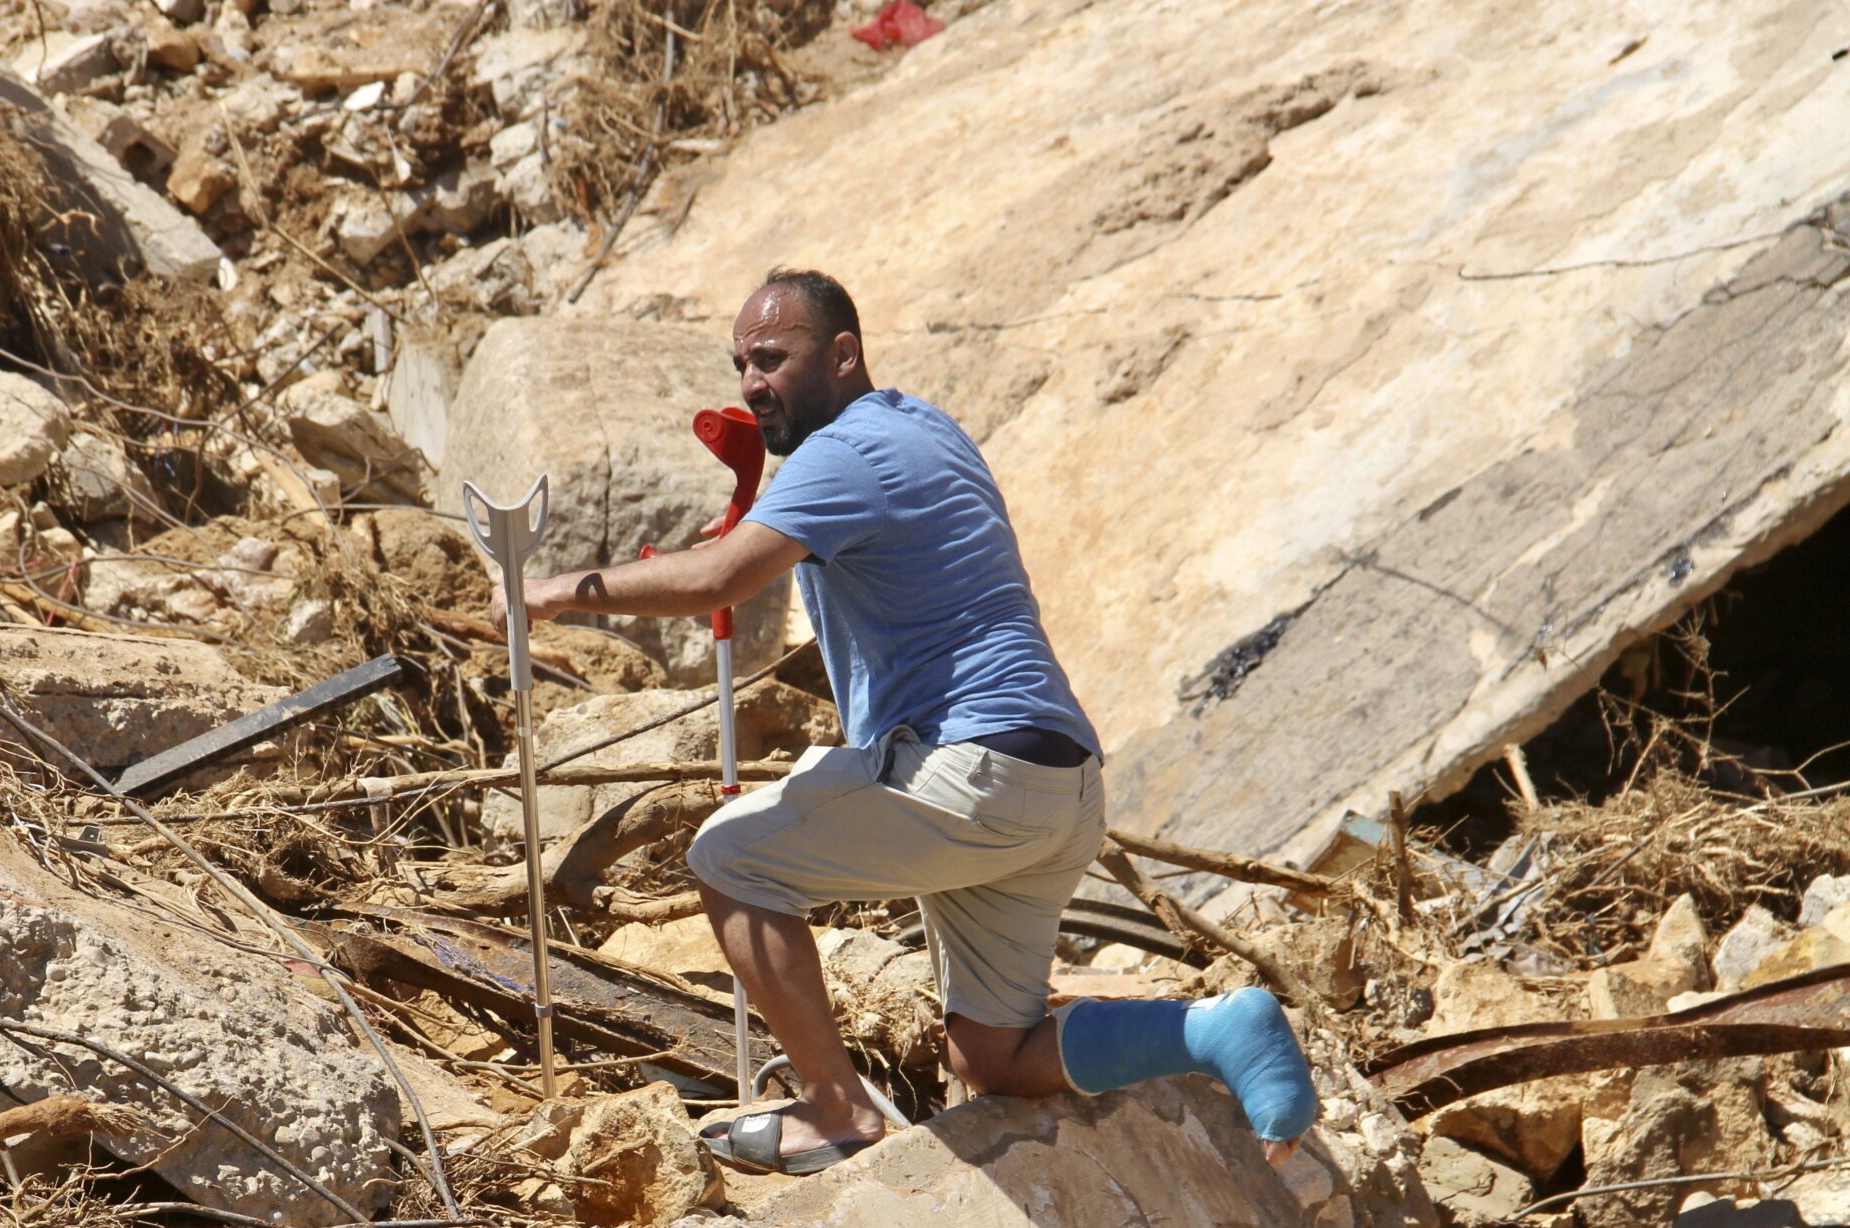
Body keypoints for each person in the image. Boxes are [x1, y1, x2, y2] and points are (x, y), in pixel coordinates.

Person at [494, 267, 1318, 1174]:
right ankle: (1219, 1032)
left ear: (841, 354)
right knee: (991, 1057)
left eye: (772, 358)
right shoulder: (925, 426)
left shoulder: (841, 455)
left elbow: (717, 582)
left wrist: (552, 592)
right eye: (739, 363)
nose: (749, 383)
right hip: (1059, 784)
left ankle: (838, 1109)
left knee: (729, 859)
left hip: (972, 771)